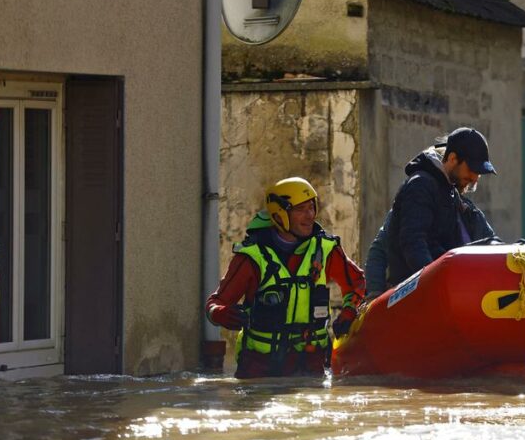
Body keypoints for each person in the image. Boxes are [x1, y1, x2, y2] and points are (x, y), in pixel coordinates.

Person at [205, 177, 366, 378]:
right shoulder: (251, 257)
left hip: (311, 369)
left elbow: (357, 284)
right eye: (300, 209)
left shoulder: (326, 250)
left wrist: (349, 312)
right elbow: (215, 302)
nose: (310, 216)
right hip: (260, 373)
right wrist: (219, 312)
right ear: (280, 215)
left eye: (312, 207)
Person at [364, 145, 495, 300]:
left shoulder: (464, 208)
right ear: (451, 161)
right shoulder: (418, 193)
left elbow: (489, 243)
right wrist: (375, 296)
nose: (473, 180)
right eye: (469, 172)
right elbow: (382, 249)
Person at [386, 127, 498, 286]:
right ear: (452, 159)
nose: (475, 178)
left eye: (478, 173)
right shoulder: (421, 185)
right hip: (415, 295)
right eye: (472, 169)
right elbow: (414, 242)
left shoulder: (451, 193)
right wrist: (436, 284)